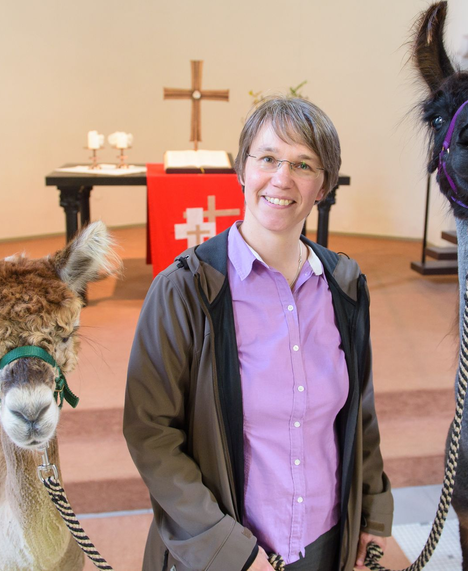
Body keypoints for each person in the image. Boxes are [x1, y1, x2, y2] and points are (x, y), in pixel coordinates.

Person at [123, 96, 392, 571]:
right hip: (222, 554)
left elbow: (359, 413)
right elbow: (151, 434)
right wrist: (230, 551)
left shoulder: (345, 288)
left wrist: (373, 511)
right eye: (268, 158)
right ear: (242, 169)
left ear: (323, 186)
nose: (282, 178)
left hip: (325, 545)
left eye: (303, 164)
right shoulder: (184, 291)